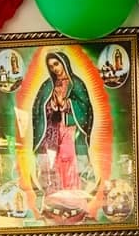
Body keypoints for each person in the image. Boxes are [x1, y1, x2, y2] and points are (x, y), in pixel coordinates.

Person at [32, 51, 94, 194]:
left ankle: (73, 197)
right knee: (53, 163)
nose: (54, 68)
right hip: (52, 132)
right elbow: (39, 107)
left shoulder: (76, 83)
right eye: (51, 66)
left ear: (64, 63)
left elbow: (85, 108)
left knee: (70, 161)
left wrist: (67, 104)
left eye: (56, 64)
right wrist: (51, 106)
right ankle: (54, 195)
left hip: (71, 131)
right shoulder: (48, 84)